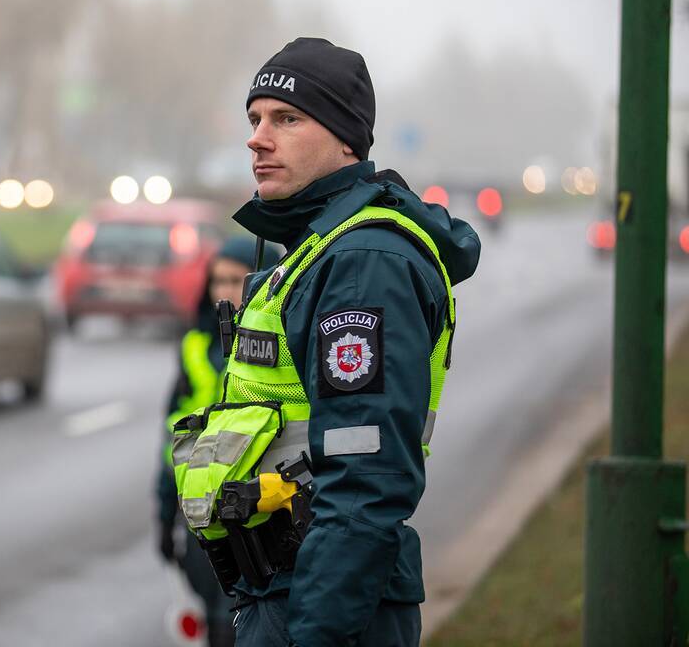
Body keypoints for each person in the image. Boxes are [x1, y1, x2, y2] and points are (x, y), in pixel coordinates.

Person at [170, 38, 480, 646]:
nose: (258, 137)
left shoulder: (363, 262)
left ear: (345, 140)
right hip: (287, 592)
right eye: (255, 119)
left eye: (286, 119)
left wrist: (316, 633)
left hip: (323, 605)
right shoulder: (316, 249)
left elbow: (365, 479)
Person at [156, 236, 278, 647]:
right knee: (217, 620)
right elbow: (171, 436)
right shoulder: (195, 344)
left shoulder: (274, 345)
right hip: (201, 507)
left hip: (258, 505)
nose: (223, 291)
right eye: (216, 280)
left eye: (235, 280)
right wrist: (163, 511)